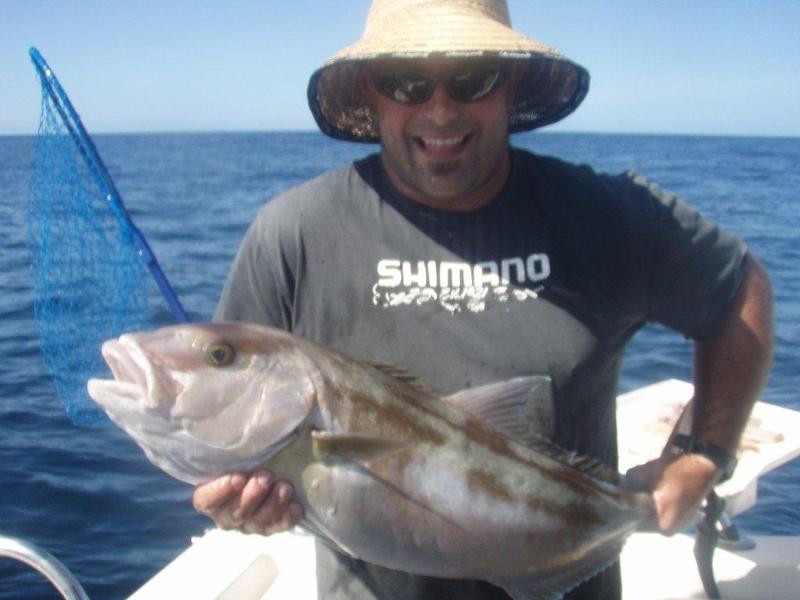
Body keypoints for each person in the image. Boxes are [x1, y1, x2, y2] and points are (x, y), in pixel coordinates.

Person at [192, 0, 774, 598]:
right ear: (371, 90)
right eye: (405, 81)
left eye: (473, 78)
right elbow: (239, 422)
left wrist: (703, 455)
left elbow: (741, 291)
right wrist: (239, 500)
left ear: (511, 81)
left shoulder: (606, 218)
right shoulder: (294, 235)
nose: (440, 111)